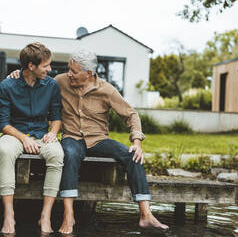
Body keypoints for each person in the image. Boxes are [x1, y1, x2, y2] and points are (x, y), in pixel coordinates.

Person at [10, 49, 169, 234]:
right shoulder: (60, 82)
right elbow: (34, 76)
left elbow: (131, 115)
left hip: (99, 140)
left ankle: (145, 214)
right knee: (68, 154)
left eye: (74, 72)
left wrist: (137, 142)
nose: (69, 74)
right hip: (72, 138)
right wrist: (16, 74)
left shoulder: (106, 90)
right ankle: (68, 215)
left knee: (132, 155)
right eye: (69, 69)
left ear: (89, 73)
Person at [0, 42, 64, 235]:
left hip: (42, 135)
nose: (50, 69)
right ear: (31, 66)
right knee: (5, 150)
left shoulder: (51, 85)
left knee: (57, 154)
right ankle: (9, 215)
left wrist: (53, 132)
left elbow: (56, 116)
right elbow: (3, 124)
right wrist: (23, 138)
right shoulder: (8, 85)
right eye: (46, 66)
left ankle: (45, 216)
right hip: (14, 134)